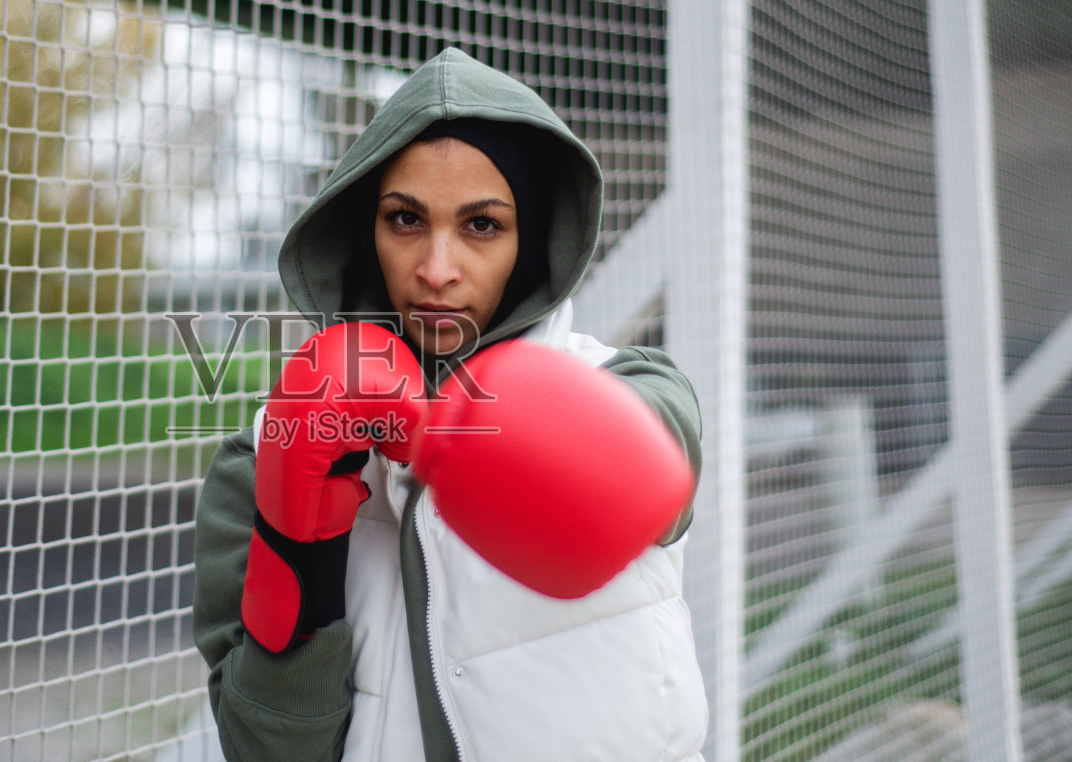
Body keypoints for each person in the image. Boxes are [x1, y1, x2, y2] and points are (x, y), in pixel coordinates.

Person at [192, 47, 708, 761]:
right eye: (406, 219)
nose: (436, 270)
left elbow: (663, 471)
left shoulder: (631, 382)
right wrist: (300, 557)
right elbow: (264, 752)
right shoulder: (262, 453)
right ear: (365, 232)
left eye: (482, 225)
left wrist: (457, 431)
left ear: (532, 239)